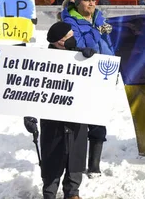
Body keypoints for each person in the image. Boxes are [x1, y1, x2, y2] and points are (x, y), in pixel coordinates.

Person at [24, 21, 97, 199]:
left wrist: (93, 58)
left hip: (77, 117)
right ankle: (49, 193)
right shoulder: (43, 61)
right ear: (58, 42)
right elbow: (32, 89)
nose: (73, 38)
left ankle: (73, 192)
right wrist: (29, 114)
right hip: (52, 120)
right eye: (68, 37)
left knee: (76, 155)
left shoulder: (80, 56)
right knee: (52, 157)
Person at [61, 0, 114, 178]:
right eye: (87, 1)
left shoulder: (99, 17)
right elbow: (80, 43)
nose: (92, 4)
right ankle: (76, 164)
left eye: (93, 0)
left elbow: (107, 43)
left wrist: (112, 59)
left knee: (99, 117)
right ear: (77, 2)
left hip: (103, 71)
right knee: (80, 120)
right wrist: (96, 31)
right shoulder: (70, 20)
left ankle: (94, 165)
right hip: (82, 73)